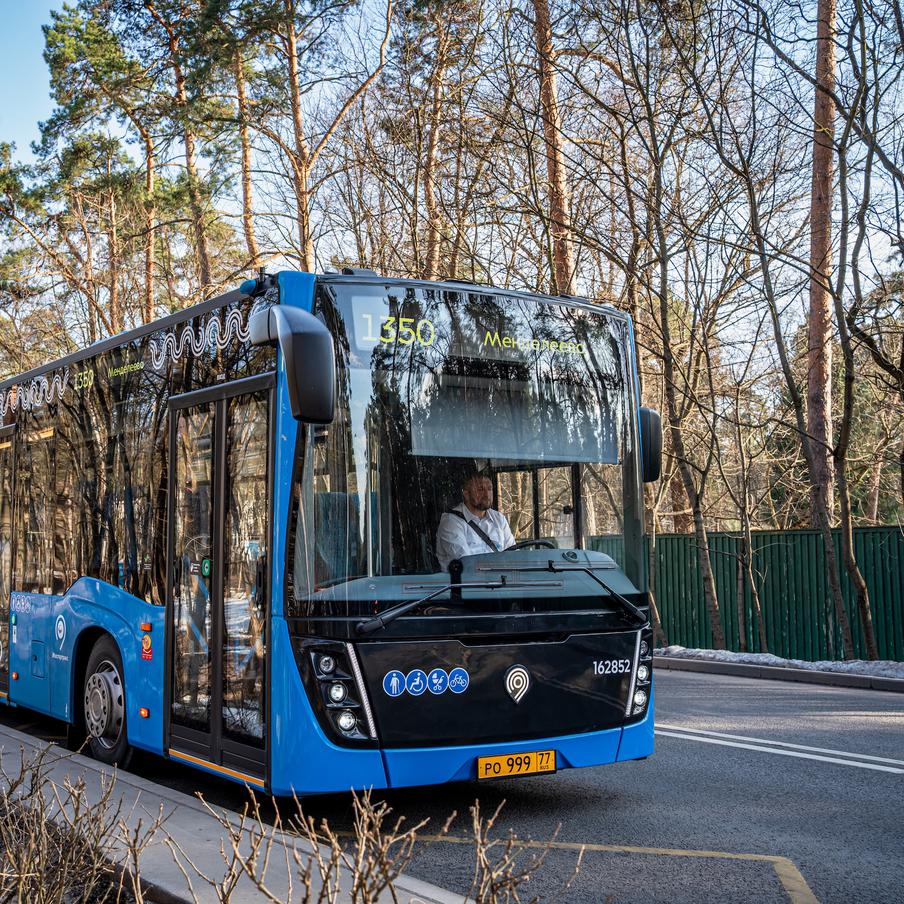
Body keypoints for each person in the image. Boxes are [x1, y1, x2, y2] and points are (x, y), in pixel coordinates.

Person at [435, 472, 515, 571]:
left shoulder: (499, 519)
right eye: (480, 489)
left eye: (489, 489)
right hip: (469, 585)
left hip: (500, 582)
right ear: (466, 494)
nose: (487, 494)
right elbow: (466, 565)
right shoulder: (451, 522)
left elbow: (513, 554)